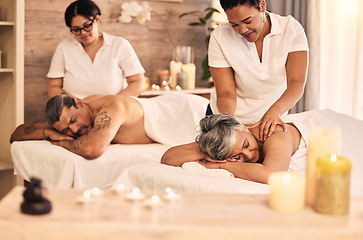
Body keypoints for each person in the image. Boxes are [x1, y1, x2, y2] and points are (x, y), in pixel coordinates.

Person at [208, 0, 309, 142]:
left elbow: (296, 82)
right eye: (234, 24)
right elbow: (225, 93)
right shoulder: (220, 36)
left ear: (262, 5)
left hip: (271, 121)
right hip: (228, 118)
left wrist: (275, 112)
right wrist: (232, 125)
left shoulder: (290, 29)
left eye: (247, 21)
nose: (242, 30)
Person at [10, 93, 209, 160]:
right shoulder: (72, 115)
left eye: (72, 122)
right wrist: (48, 131)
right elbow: (17, 133)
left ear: (78, 102)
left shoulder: (110, 108)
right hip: (168, 106)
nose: (73, 131)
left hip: (191, 114)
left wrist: (60, 141)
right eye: (65, 130)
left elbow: (92, 149)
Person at [161, 113, 301, 184]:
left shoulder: (275, 134)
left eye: (246, 145)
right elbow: (169, 157)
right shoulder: (226, 139)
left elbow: (272, 175)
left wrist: (223, 166)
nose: (247, 155)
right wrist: (208, 150)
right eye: (237, 157)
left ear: (245, 128)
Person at [47, 0, 145, 99]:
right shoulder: (64, 48)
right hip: (75, 110)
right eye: (76, 29)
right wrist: (75, 105)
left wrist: (112, 103)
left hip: (113, 108)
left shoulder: (119, 45)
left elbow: (138, 82)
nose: (83, 33)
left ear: (97, 20)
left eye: (87, 26)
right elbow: (54, 86)